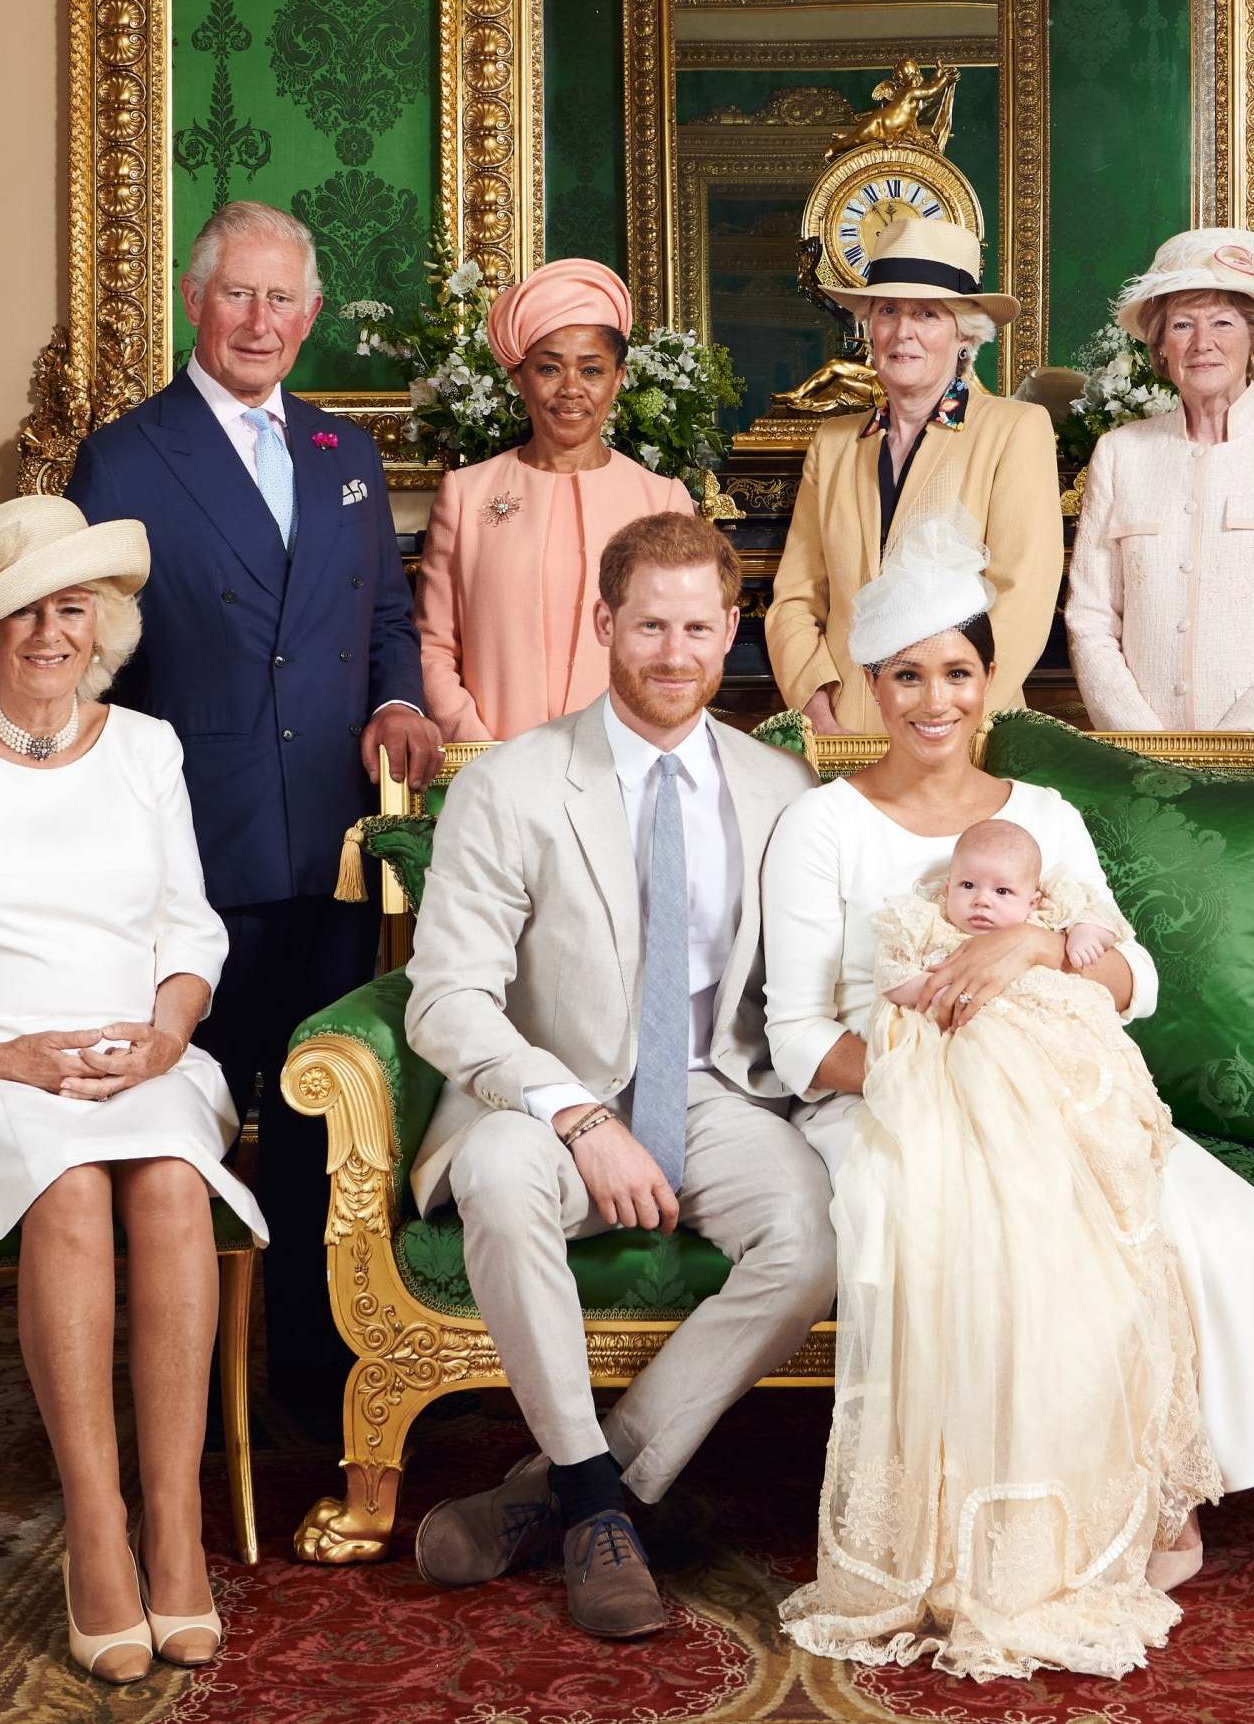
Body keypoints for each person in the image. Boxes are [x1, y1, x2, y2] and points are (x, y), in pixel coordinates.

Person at [763, 517, 1254, 1656]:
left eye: (957, 672)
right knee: (969, 1231)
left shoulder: (1041, 817)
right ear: (875, 686)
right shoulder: (819, 824)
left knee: (1209, 1226)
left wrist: (1030, 950)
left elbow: (1127, 981)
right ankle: (981, 1534)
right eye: (907, 676)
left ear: (989, 681)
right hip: (887, 1098)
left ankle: (1135, 1491)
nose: (934, 701)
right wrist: (939, 1091)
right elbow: (795, 1038)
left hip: (1065, 1090)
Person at [0, 496, 264, 1683]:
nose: (47, 633)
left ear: (104, 626)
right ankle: (97, 1530)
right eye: (21, 612)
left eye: (70, 609)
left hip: (136, 1051)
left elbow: (190, 931)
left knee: (174, 1187)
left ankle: (174, 1530)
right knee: (72, 1186)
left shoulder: (148, 749)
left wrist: (163, 1034)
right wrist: (1, 1056)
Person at [400, 513, 831, 1640]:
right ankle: (598, 1506)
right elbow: (447, 999)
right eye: (649, 625)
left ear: (731, 631)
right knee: (495, 1171)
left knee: (813, 1233)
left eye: (697, 626)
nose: (674, 652)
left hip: (713, 1091)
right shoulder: (513, 783)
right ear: (603, 623)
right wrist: (576, 1113)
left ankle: (576, 1490)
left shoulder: (781, 786)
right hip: (547, 1095)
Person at [65, 199, 441, 1431]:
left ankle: (320, 1383)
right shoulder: (124, 458)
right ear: (194, 300)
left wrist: (396, 698)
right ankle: (193, 1390)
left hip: (329, 845)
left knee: (324, 1124)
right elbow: (92, 661)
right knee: (194, 1124)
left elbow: (385, 616)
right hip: (194, 847)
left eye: (284, 301)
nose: (261, 321)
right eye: (239, 295)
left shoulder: (344, 454)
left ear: (312, 316)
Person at [780, 804, 1220, 1679]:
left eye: (1002, 892)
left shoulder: (1049, 842)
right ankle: (948, 1535)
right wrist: (932, 1006)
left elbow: (1124, 969)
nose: (981, 903)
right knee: (955, 1221)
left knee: (1100, 1227)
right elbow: (870, 998)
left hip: (1049, 1079)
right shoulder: (842, 839)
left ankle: (1115, 1507)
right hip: (918, 1080)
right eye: (969, 888)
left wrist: (1052, 945)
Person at [766, 215, 1062, 733]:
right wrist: (817, 706)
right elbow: (795, 597)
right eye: (888, 311)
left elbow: (1022, 597)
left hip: (964, 735)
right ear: (869, 328)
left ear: (962, 335)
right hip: (846, 731)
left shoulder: (1015, 430)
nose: (903, 332)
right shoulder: (833, 444)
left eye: (927, 314)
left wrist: (953, 718)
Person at [1065, 228, 1254, 731]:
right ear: (1159, 347)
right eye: (1181, 325)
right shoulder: (1120, 454)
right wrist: (1144, 746)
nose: (1202, 344)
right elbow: (1089, 617)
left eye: (1222, 322)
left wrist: (1240, 749)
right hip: (1142, 762)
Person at [412, 257, 695, 741]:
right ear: (518, 379)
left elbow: (682, 649)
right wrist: (474, 744)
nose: (571, 390)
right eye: (548, 368)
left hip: (625, 765)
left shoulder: (662, 500)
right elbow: (433, 644)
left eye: (591, 370)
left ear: (618, 379)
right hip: (493, 766)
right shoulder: (466, 494)